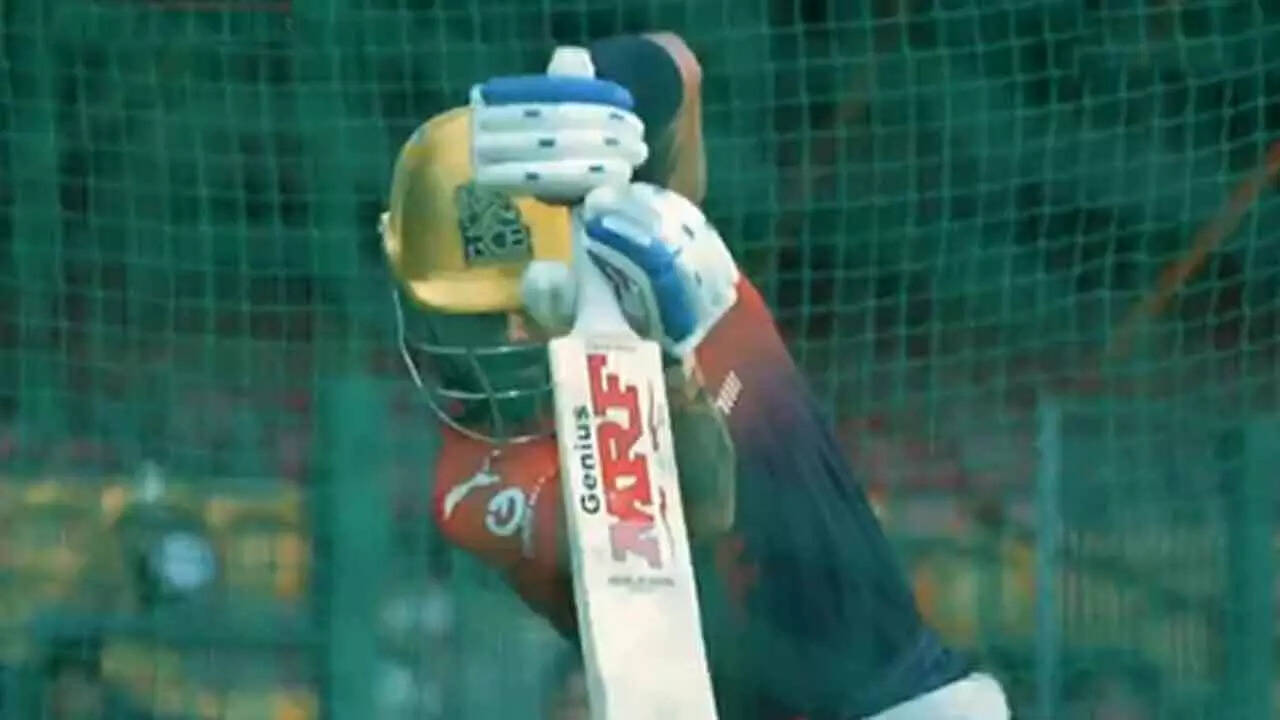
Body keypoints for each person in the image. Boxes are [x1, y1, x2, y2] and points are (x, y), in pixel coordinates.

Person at [379, 31, 1009, 719]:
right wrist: (672, 363)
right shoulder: (473, 482)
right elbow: (697, 514)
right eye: (475, 317)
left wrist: (594, 94)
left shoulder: (653, 240)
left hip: (909, 694)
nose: (508, 334)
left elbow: (677, 62)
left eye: (517, 305)